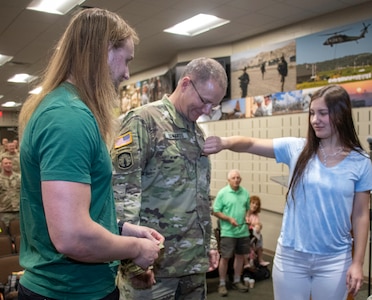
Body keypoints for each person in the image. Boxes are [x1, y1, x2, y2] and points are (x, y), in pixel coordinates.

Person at [17, 8, 164, 300]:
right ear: (105, 51)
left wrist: (121, 229)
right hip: (68, 291)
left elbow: (75, 212)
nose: (127, 73)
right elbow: (72, 236)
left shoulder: (66, 109)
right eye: (127, 60)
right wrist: (136, 249)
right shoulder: (68, 117)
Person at [203, 84, 372, 300]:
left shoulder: (361, 162)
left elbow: (361, 215)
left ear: (341, 114)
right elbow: (251, 143)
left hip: (335, 259)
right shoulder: (297, 149)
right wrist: (224, 142)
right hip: (291, 258)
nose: (314, 120)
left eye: (322, 113)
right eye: (312, 113)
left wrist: (358, 263)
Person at [111, 57, 228, 299]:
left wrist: (209, 245)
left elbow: (201, 195)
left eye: (213, 106)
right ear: (186, 84)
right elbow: (122, 195)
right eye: (205, 102)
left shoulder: (197, 132)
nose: (207, 111)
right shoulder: (143, 122)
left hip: (193, 266)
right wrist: (132, 262)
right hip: (153, 269)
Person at [213, 169, 250, 296]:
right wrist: (229, 219)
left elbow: (248, 209)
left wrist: (247, 216)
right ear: (228, 180)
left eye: (238, 178)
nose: (236, 180)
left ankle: (236, 280)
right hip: (228, 232)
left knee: (240, 257)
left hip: (243, 231)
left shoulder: (245, 192)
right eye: (233, 178)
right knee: (225, 258)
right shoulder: (222, 193)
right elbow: (215, 211)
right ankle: (222, 283)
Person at [245, 195, 269, 267]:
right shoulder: (244, 213)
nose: (255, 205)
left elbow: (258, 224)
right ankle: (248, 262)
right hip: (245, 234)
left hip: (253, 234)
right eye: (253, 203)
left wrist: (258, 226)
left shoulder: (256, 216)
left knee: (259, 237)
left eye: (256, 204)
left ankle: (260, 259)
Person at [0, 157, 21, 226]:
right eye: (6, 163)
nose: (8, 165)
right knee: (2, 232)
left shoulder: (19, 177)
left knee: (18, 234)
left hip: (18, 211)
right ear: (1, 165)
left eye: (10, 163)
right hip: (3, 212)